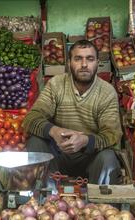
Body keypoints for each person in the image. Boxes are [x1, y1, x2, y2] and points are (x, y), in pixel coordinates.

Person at [22, 39, 123, 185]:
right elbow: (30, 119)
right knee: (35, 142)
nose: (84, 65)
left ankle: (101, 204)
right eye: (78, 59)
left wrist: (85, 141)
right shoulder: (56, 84)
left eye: (90, 59)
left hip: (90, 158)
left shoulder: (107, 92)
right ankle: (44, 198)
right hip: (58, 154)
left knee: (108, 156)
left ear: (97, 63)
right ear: (69, 63)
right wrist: (54, 131)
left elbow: (112, 136)